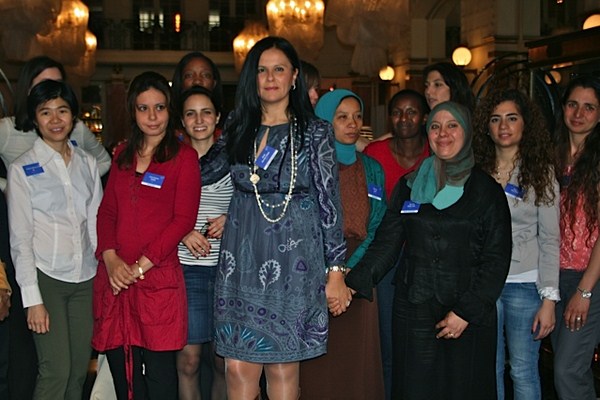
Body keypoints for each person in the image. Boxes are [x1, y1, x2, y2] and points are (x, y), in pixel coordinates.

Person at [346, 101, 512, 400]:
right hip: (414, 308)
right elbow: (387, 242)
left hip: (467, 311)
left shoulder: (487, 191)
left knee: (463, 389)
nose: (442, 133)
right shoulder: (410, 185)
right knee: (415, 388)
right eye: (435, 126)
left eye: (452, 126)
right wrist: (351, 282)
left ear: (467, 132)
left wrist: (465, 312)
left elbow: (496, 258)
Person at [214, 36, 347, 400]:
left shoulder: (315, 132)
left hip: (294, 260)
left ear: (294, 77)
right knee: (236, 365)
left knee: (282, 364)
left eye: (278, 69)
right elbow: (204, 171)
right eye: (262, 70)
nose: (270, 78)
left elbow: (329, 202)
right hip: (241, 258)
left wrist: (336, 272)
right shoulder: (237, 124)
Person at [92, 71, 201, 400]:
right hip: (115, 281)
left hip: (157, 280)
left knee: (160, 379)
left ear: (170, 110)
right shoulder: (122, 154)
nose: (152, 117)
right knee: (124, 380)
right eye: (143, 108)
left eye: (159, 107)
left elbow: (182, 220)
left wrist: (139, 267)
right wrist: (111, 259)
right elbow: (107, 212)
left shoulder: (184, 158)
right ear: (133, 111)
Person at [6, 79, 102, 400]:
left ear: (74, 115)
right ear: (35, 119)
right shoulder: (22, 169)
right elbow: (20, 240)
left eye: (62, 110)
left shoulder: (88, 164)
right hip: (46, 278)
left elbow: (95, 225)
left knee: (77, 373)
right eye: (45, 112)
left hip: (86, 278)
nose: (55, 119)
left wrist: (102, 274)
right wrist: (32, 299)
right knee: (55, 371)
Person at [473, 89, 560, 400]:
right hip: (484, 283)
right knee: (488, 368)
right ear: (486, 127)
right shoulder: (475, 171)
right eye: (495, 119)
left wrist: (549, 300)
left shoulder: (541, 172)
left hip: (524, 282)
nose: (504, 126)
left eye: (512, 118)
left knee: (522, 370)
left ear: (525, 124)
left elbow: (550, 238)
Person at [299, 89, 386, 399]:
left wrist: (347, 274)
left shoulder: (372, 168)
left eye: (357, 117)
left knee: (355, 364)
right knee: (318, 366)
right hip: (312, 271)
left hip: (359, 271)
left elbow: (376, 224)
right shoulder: (306, 167)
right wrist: (329, 274)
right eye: (342, 117)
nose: (353, 124)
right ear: (324, 121)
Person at [361, 88, 430, 399]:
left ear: (424, 117)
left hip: (425, 261)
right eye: (398, 112)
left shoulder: (436, 151)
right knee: (387, 342)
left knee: (421, 343)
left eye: (412, 112)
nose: (404, 118)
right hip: (385, 261)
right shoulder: (375, 153)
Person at [176, 86, 231, 400]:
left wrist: (231, 218)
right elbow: (156, 211)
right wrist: (182, 231)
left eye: (206, 112)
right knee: (189, 360)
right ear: (182, 121)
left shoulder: (236, 158)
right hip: (186, 271)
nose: (199, 120)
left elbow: (255, 204)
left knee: (223, 362)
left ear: (217, 116)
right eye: (191, 113)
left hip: (229, 272)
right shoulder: (171, 160)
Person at [551, 75, 600, 400]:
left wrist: (584, 291)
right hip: (553, 277)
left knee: (566, 371)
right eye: (573, 104)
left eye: (589, 107)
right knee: (571, 369)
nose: (579, 113)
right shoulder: (550, 156)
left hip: (589, 278)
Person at [0, 55, 111, 191]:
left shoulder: (76, 127)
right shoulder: (7, 129)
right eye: (44, 84)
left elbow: (104, 161)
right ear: (28, 89)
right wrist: (10, 186)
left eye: (58, 83)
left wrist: (80, 182)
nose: (52, 91)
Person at [172, 51, 224, 122]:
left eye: (205, 75)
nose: (197, 81)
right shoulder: (167, 123)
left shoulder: (229, 124)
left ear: (214, 83)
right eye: (189, 75)